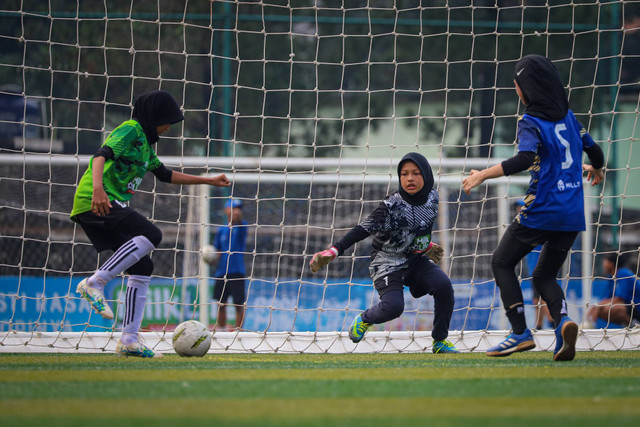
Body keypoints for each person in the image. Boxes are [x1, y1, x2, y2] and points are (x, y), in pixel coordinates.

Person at [462, 54, 605, 361]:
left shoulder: (531, 121)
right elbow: (596, 151)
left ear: (527, 89)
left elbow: (525, 159)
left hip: (542, 209)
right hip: (572, 214)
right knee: (544, 276)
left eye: (517, 86)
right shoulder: (570, 117)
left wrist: (482, 175)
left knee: (501, 261)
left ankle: (519, 332)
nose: (517, 91)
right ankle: (563, 323)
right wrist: (597, 168)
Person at [70, 90, 230, 358]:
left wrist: (209, 181)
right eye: (167, 120)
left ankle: (129, 340)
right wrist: (98, 189)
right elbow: (100, 156)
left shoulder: (145, 145)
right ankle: (95, 283)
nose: (169, 127)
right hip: (95, 199)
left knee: (143, 265)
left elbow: (166, 175)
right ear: (154, 116)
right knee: (151, 234)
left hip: (106, 202)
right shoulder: (131, 129)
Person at [310, 152, 459, 354]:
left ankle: (440, 341)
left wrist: (427, 246)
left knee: (444, 287)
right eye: (404, 174)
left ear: (426, 175)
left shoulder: (433, 198)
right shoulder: (391, 206)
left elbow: (415, 228)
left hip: (414, 259)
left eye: (416, 173)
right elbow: (362, 229)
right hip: (386, 262)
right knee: (394, 307)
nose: (410, 178)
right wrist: (334, 250)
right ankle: (363, 319)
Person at [212, 199, 248, 330]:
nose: (236, 211)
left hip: (237, 271)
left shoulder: (242, 226)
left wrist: (236, 218)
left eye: (238, 208)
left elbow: (238, 221)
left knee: (238, 304)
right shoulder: (221, 230)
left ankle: (238, 332)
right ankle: (221, 330)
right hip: (221, 271)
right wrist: (211, 257)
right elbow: (218, 251)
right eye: (233, 208)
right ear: (226, 210)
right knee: (221, 303)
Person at [516, 200, 552, 330]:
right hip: (535, 270)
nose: (519, 209)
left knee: (542, 300)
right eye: (518, 207)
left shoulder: (534, 225)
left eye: (521, 207)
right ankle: (539, 326)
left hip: (542, 269)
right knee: (537, 300)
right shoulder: (525, 226)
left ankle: (554, 323)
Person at [588, 253, 640, 327]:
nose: (603, 264)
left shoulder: (623, 274)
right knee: (601, 310)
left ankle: (634, 326)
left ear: (611, 263)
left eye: (605, 261)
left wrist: (599, 305)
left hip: (636, 306)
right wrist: (596, 306)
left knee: (613, 308)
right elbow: (608, 298)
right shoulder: (611, 277)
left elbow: (620, 298)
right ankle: (630, 325)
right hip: (630, 308)